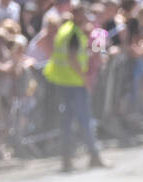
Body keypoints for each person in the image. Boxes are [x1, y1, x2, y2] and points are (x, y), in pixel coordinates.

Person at [42, 2, 108, 172]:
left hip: (64, 81)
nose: (86, 16)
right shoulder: (74, 32)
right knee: (85, 120)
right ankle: (93, 156)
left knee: (67, 122)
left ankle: (67, 160)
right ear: (77, 14)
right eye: (84, 13)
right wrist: (85, 78)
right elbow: (73, 58)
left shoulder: (67, 30)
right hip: (75, 82)